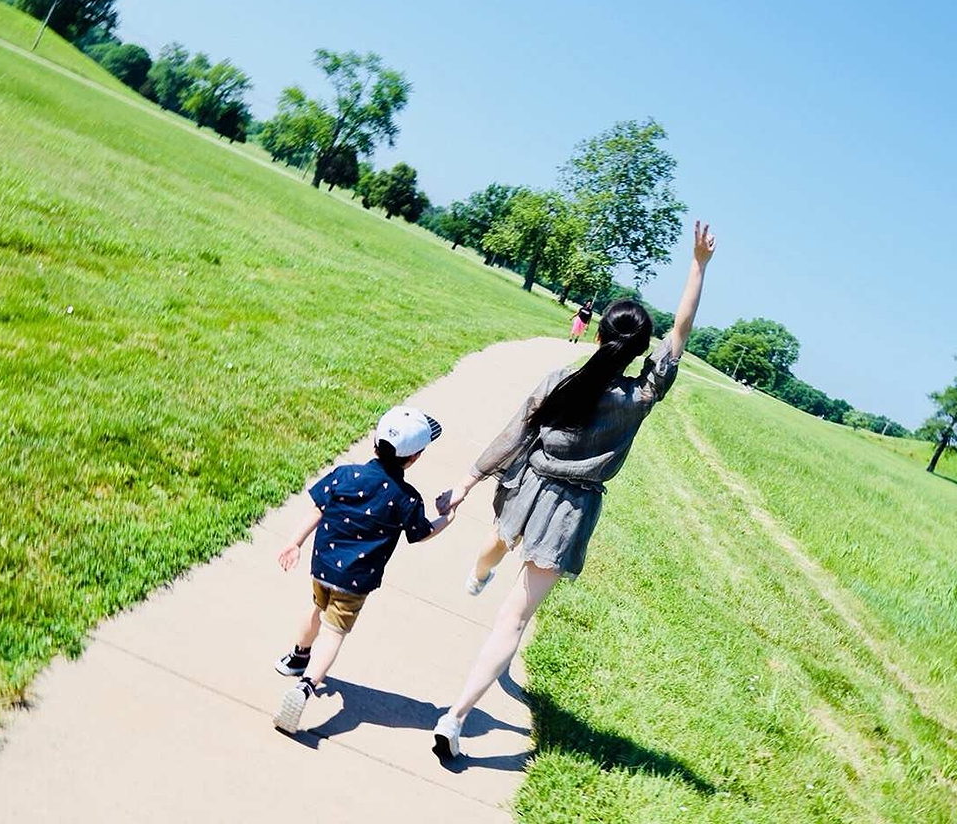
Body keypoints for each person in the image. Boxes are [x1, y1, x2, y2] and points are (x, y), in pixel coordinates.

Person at [431, 221, 717, 759]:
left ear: (598, 335)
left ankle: (480, 572)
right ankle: (456, 717)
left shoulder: (560, 380)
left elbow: (514, 433)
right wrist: (697, 267)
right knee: (514, 620)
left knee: (496, 542)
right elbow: (680, 334)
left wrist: (468, 480)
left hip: (528, 487)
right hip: (570, 510)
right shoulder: (639, 397)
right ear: (638, 351)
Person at [271, 405, 455, 734]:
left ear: (375, 441)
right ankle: (306, 686)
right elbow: (422, 533)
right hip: (355, 581)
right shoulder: (407, 499)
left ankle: (297, 657)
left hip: (322, 566)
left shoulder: (345, 474)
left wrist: (294, 542)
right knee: (334, 632)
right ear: (414, 458)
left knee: (317, 609)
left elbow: (317, 509)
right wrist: (447, 518)